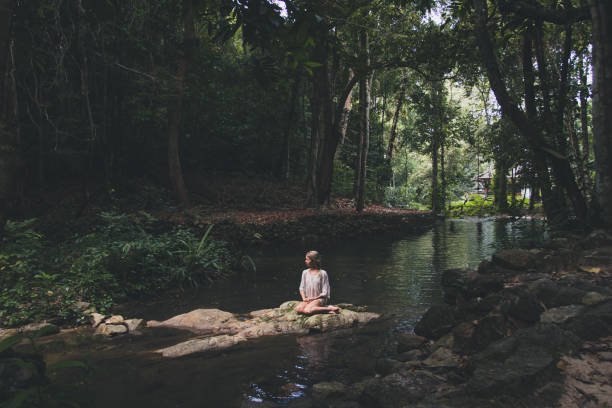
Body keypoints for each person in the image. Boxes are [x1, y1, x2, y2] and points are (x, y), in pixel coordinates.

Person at [295, 251, 341, 315]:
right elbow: (301, 288)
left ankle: (329, 308)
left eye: (307, 259)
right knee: (298, 309)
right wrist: (304, 298)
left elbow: (325, 292)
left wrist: (315, 298)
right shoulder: (305, 272)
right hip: (308, 299)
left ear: (313, 261)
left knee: (307, 310)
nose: (305, 261)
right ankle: (326, 310)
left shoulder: (322, 273)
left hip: (320, 299)